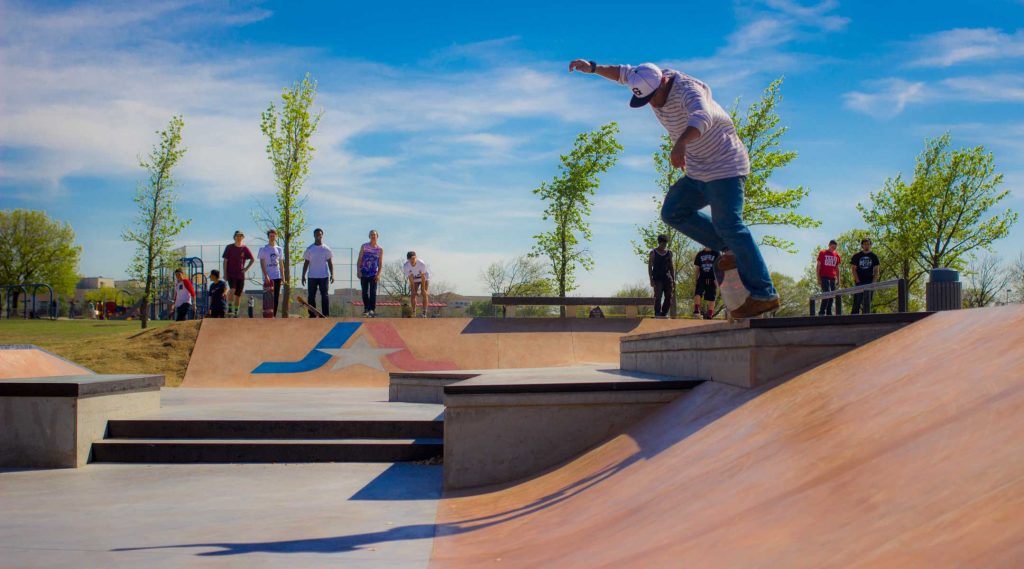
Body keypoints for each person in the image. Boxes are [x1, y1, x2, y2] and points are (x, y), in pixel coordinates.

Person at [569, 59, 779, 318]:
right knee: (672, 212)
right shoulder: (646, 77)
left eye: (653, 99)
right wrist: (592, 68)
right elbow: (621, 73)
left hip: (726, 167)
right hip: (699, 171)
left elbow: (702, 117)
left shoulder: (689, 91)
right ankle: (729, 248)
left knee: (730, 224)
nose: (653, 106)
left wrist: (680, 144)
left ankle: (764, 293)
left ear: (664, 83)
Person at [301, 228, 334, 317]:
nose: (318, 236)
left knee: (325, 296)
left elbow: (330, 262)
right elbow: (306, 263)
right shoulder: (310, 249)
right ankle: (312, 314)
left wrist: (332, 274)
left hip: (324, 276)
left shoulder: (326, 249)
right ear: (314, 236)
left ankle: (325, 314)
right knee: (311, 296)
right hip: (312, 277)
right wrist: (303, 275)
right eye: (316, 234)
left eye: (319, 234)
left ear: (322, 235)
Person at [222, 230, 254, 318]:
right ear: (234, 237)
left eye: (241, 236)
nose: (239, 237)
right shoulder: (229, 247)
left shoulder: (245, 248)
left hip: (241, 275)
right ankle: (230, 308)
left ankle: (236, 311)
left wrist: (246, 268)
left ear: (243, 237)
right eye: (237, 236)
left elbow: (252, 259)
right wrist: (225, 273)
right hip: (231, 274)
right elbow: (225, 261)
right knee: (232, 290)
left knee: (238, 295)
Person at [258, 229, 287, 318]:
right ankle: (267, 315)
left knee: (276, 296)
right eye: (270, 236)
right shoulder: (263, 249)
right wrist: (266, 275)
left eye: (274, 236)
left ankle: (273, 315)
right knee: (268, 297)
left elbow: (281, 264)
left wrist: (283, 277)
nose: (272, 238)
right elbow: (262, 263)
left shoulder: (279, 249)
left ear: (276, 237)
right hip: (268, 277)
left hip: (277, 276)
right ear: (268, 237)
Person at [356, 230, 384, 317]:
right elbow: (359, 259)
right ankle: (366, 308)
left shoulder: (380, 249)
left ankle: (372, 310)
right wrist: (358, 270)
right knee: (364, 292)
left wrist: (378, 274)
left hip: (373, 273)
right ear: (369, 236)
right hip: (364, 272)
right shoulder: (364, 246)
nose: (373, 236)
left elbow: (380, 263)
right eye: (371, 235)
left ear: (377, 236)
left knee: (373, 292)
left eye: (374, 235)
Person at [851, 239, 881, 314]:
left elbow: (876, 270)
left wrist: (873, 282)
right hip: (859, 281)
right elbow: (853, 269)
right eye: (865, 244)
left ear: (870, 245)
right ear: (862, 245)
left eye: (868, 244)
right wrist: (857, 281)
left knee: (867, 301)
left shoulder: (874, 256)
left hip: (869, 281)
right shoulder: (857, 256)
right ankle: (854, 318)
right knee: (857, 301)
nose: (866, 246)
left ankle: (866, 316)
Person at [648, 234, 675, 319]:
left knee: (669, 295)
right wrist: (651, 279)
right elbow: (649, 267)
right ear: (659, 243)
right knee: (658, 296)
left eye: (665, 244)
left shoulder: (669, 252)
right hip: (657, 278)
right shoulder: (653, 252)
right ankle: (657, 313)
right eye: (663, 243)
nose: (664, 245)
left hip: (667, 278)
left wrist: (673, 279)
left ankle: (664, 312)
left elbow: (671, 266)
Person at [693, 247, 720, 319]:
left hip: (712, 278)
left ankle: (710, 315)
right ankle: (696, 311)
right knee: (698, 293)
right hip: (702, 277)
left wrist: (718, 279)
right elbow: (697, 268)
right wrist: (696, 279)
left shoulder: (716, 253)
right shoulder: (700, 254)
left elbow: (719, 267)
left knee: (712, 297)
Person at [817, 240, 842, 316]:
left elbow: (837, 268)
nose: (833, 248)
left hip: (832, 278)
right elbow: (818, 266)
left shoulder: (836, 255)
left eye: (835, 247)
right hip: (824, 277)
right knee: (827, 293)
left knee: (832, 295)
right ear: (829, 245)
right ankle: (821, 312)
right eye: (832, 247)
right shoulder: (823, 253)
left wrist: (839, 279)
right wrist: (818, 278)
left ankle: (829, 312)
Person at [403, 251, 430, 318]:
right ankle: (414, 312)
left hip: (424, 278)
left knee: (424, 293)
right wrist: (413, 290)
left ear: (416, 258)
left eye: (413, 258)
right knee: (413, 294)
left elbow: (423, 277)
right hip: (415, 278)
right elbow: (410, 278)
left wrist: (423, 289)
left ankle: (424, 312)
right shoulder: (406, 266)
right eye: (410, 259)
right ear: (408, 260)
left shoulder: (421, 264)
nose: (412, 260)